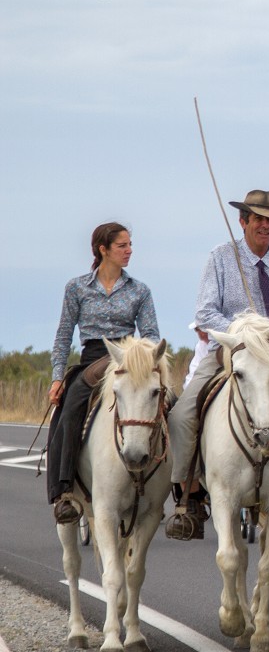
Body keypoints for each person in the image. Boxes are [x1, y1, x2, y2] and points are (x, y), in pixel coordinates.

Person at [165, 190, 269, 538]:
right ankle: (190, 497)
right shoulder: (221, 257)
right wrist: (243, 333)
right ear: (243, 221)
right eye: (258, 219)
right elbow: (205, 312)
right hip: (230, 351)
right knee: (182, 415)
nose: (266, 226)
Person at [46, 223, 161, 524]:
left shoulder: (140, 290)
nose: (129, 250)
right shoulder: (77, 287)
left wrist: (146, 361)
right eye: (122, 246)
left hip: (130, 358)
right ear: (103, 249)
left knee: (165, 407)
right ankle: (63, 491)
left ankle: (167, 485)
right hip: (93, 358)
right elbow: (62, 337)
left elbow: (150, 335)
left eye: (129, 244)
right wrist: (58, 377)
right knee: (68, 410)